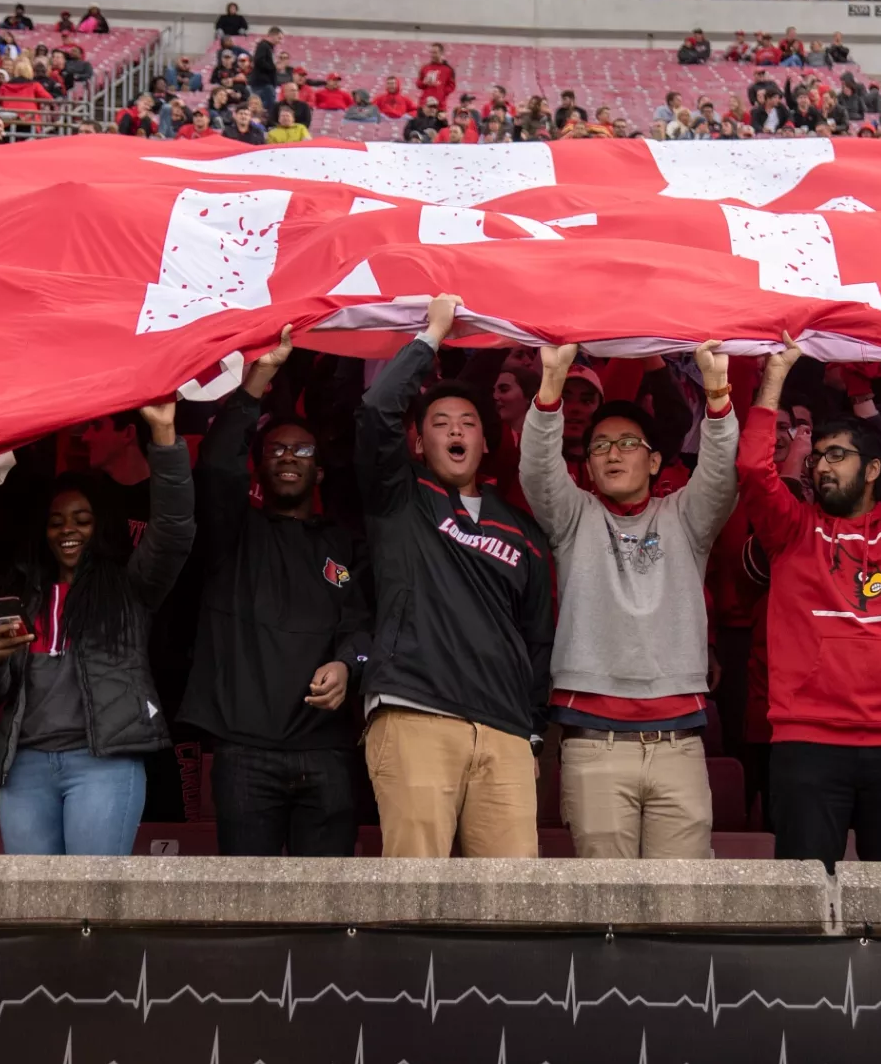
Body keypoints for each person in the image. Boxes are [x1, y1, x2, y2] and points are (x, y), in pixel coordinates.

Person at [737, 336, 881, 866]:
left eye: (837, 455)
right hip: (807, 741)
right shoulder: (791, 531)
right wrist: (772, 379)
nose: (821, 466)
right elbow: (754, 470)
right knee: (803, 902)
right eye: (817, 456)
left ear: (871, 469)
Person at [520, 340, 738, 860]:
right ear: (588, 468)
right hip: (594, 743)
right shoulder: (573, 518)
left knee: (682, 905)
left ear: (656, 458)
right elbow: (537, 471)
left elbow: (721, 472)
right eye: (599, 447)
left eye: (626, 443)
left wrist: (718, 394)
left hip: (679, 745)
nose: (612, 453)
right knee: (606, 910)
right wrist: (550, 388)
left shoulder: (686, 517)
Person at [356, 295, 554, 858]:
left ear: (487, 441)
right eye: (439, 424)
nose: (455, 431)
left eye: (467, 422)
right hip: (415, 711)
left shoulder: (523, 532)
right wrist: (432, 335)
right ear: (419, 442)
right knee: (415, 893)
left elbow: (538, 638)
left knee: (513, 908)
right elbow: (376, 412)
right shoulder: (399, 496)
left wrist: (531, 727)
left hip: (505, 730)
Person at [0, 401, 194, 855]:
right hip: (26, 765)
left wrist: (165, 437)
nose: (67, 530)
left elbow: (172, 528)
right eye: (57, 522)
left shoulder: (130, 587)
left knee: (90, 904)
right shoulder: (22, 593)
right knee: (33, 905)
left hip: (102, 763)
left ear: (101, 525)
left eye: (81, 520)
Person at [178, 328, 371, 855]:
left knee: (329, 910)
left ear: (320, 469)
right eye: (277, 448)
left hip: (326, 751)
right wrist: (258, 378)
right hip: (244, 751)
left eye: (302, 448)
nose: (289, 455)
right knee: (248, 917)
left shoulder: (345, 546)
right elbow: (216, 463)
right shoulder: (233, 531)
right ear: (260, 466)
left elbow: (364, 625)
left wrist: (349, 664)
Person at [249, 26, 282, 112]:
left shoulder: (268, 47)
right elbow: (259, 61)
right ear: (273, 35)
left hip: (265, 83)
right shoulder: (264, 46)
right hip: (263, 83)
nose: (280, 41)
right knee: (268, 108)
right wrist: (274, 67)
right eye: (279, 38)